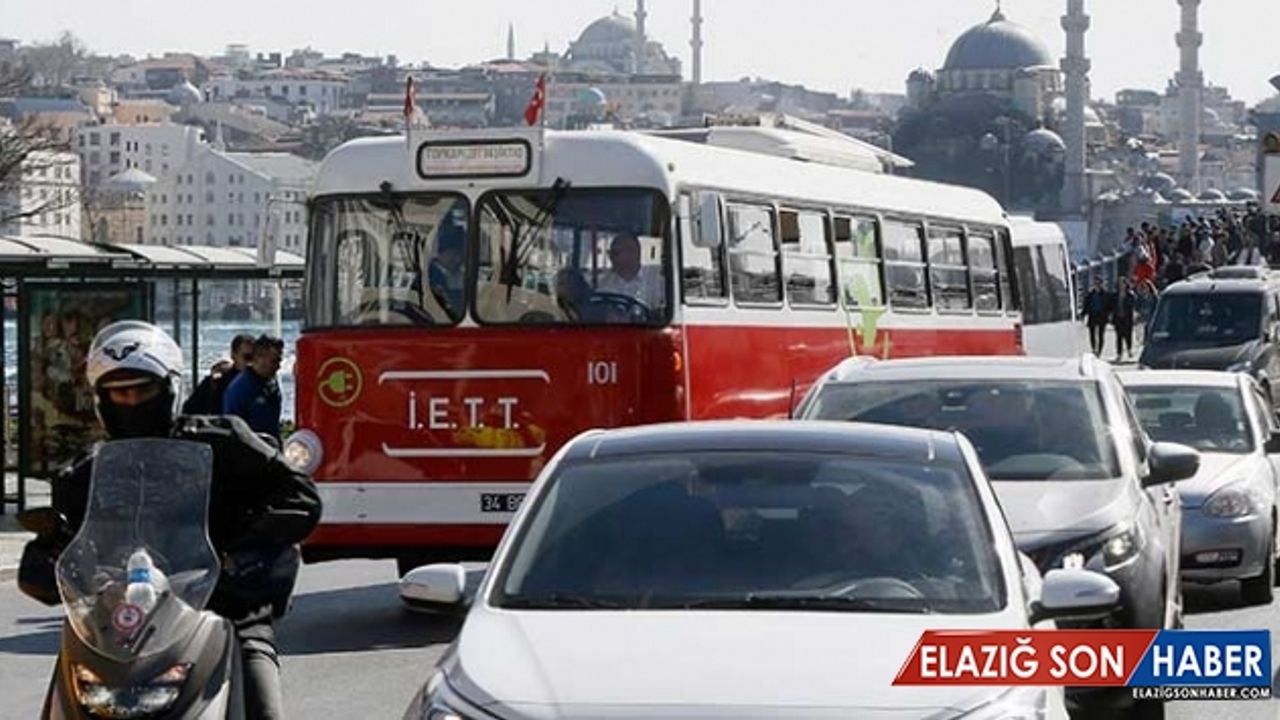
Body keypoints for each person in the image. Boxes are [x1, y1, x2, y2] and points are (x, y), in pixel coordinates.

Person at [24, 321, 320, 720]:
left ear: (170, 388)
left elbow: (299, 496)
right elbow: (68, 548)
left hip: (224, 612)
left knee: (264, 704)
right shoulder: (85, 474)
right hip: (117, 631)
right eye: (118, 393)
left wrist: (243, 554)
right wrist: (47, 552)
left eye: (142, 390)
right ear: (100, 400)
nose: (130, 402)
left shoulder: (222, 442)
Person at [224, 335, 285, 443]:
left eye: (279, 361)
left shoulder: (271, 383)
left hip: (271, 447)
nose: (278, 366)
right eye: (274, 361)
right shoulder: (240, 388)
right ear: (259, 358)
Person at [183, 334, 255, 415]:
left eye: (255, 358)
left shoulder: (262, 382)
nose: (251, 363)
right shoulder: (218, 381)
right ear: (233, 355)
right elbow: (189, 410)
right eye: (247, 357)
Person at [596, 233, 664, 310]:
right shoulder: (606, 285)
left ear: (634, 252)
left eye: (616, 253)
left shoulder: (655, 281)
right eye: (610, 253)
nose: (611, 257)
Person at [428, 221, 466, 320]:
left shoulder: (460, 274)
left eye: (460, 255)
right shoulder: (431, 276)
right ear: (442, 252)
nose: (457, 260)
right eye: (454, 254)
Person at [1083, 278, 1112, 357]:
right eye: (1096, 283)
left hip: (1101, 316)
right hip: (1093, 315)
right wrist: (1083, 314)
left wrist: (1109, 314)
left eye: (1099, 283)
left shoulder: (1105, 294)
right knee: (1092, 333)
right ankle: (1093, 348)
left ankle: (1099, 350)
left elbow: (1109, 306)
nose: (1097, 285)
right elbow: (1086, 305)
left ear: (1101, 284)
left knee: (1100, 334)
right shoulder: (1090, 294)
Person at [1112, 277, 1136, 363]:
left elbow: (1132, 306)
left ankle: (1129, 349)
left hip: (1127, 318)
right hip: (1118, 317)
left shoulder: (1130, 295)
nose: (1121, 285)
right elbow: (1112, 306)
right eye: (1120, 283)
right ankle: (1119, 353)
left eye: (1123, 283)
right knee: (1119, 336)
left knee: (1127, 335)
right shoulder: (1115, 295)